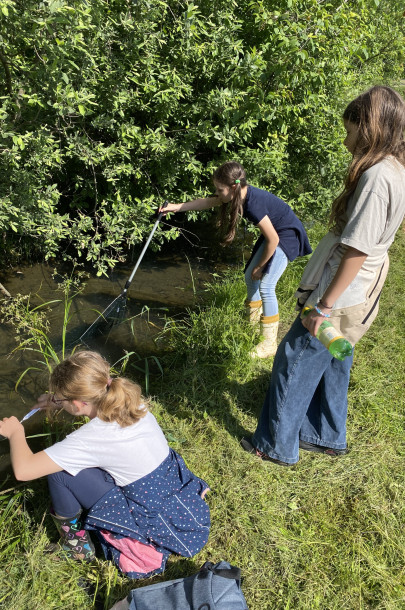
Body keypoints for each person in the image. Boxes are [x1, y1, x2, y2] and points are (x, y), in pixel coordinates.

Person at [241, 85, 405, 466]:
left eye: (350, 128)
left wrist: (324, 307)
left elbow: (358, 247)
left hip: (347, 288)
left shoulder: (378, 177)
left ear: (370, 127)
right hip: (365, 287)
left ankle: (275, 445)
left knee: (295, 356)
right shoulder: (395, 168)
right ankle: (325, 434)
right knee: (336, 356)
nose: (346, 138)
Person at [0, 351, 210, 578]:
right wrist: (58, 402)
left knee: (60, 473)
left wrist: (15, 433)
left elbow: (23, 470)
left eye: (60, 398)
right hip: (178, 502)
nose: (56, 400)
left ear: (79, 403)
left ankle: (77, 549)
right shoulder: (130, 401)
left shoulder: (88, 439)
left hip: (156, 521)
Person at [160, 161, 311, 357]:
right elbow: (207, 202)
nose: (216, 192)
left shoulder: (253, 204)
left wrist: (261, 266)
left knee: (266, 284)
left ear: (233, 187)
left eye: (219, 189)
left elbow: (273, 239)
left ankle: (268, 344)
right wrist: (175, 207)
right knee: (250, 276)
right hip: (275, 235)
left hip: (286, 237)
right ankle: (251, 325)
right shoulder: (236, 193)